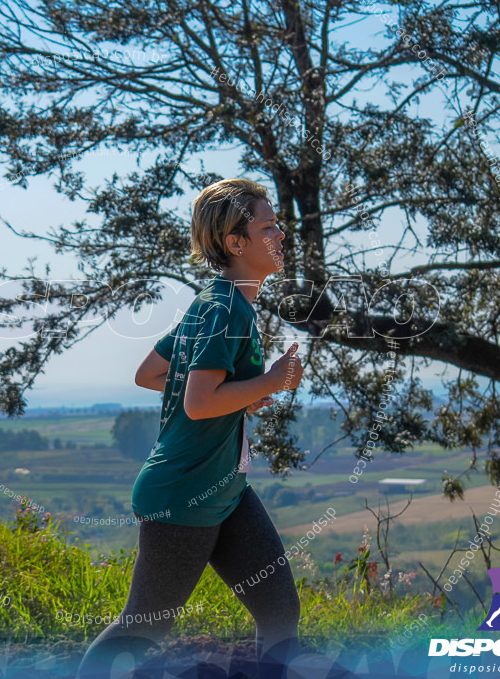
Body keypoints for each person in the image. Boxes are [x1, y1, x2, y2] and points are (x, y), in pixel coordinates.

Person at [76, 178, 304, 679]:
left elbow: (153, 375)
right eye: (268, 227)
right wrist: (272, 380)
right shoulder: (225, 308)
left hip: (226, 488)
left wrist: (245, 394)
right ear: (236, 243)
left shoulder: (218, 301)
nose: (281, 234)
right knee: (144, 626)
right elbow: (199, 403)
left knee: (280, 611)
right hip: (183, 494)